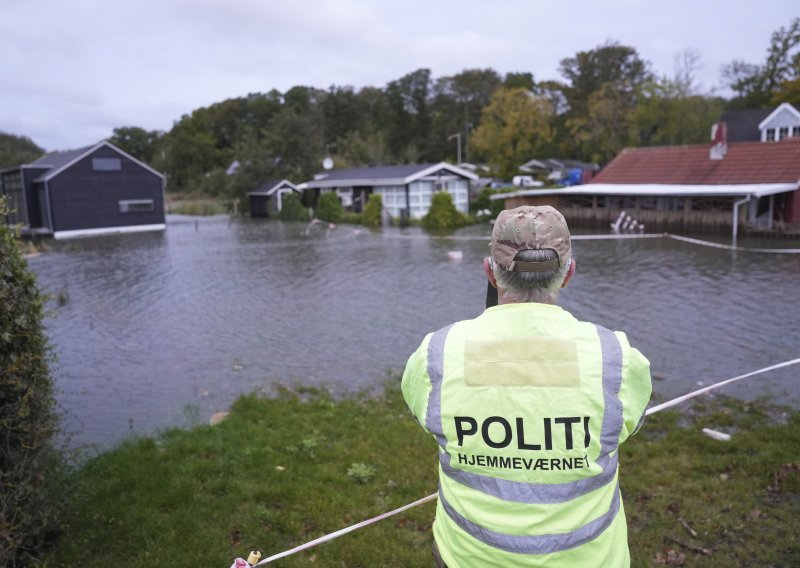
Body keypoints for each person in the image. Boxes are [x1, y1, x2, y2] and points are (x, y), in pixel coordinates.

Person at [401, 205, 652, 567]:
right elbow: (626, 427)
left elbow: (424, 416)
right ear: (568, 274)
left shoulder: (436, 354)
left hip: (467, 558)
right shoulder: (616, 358)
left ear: (491, 272)